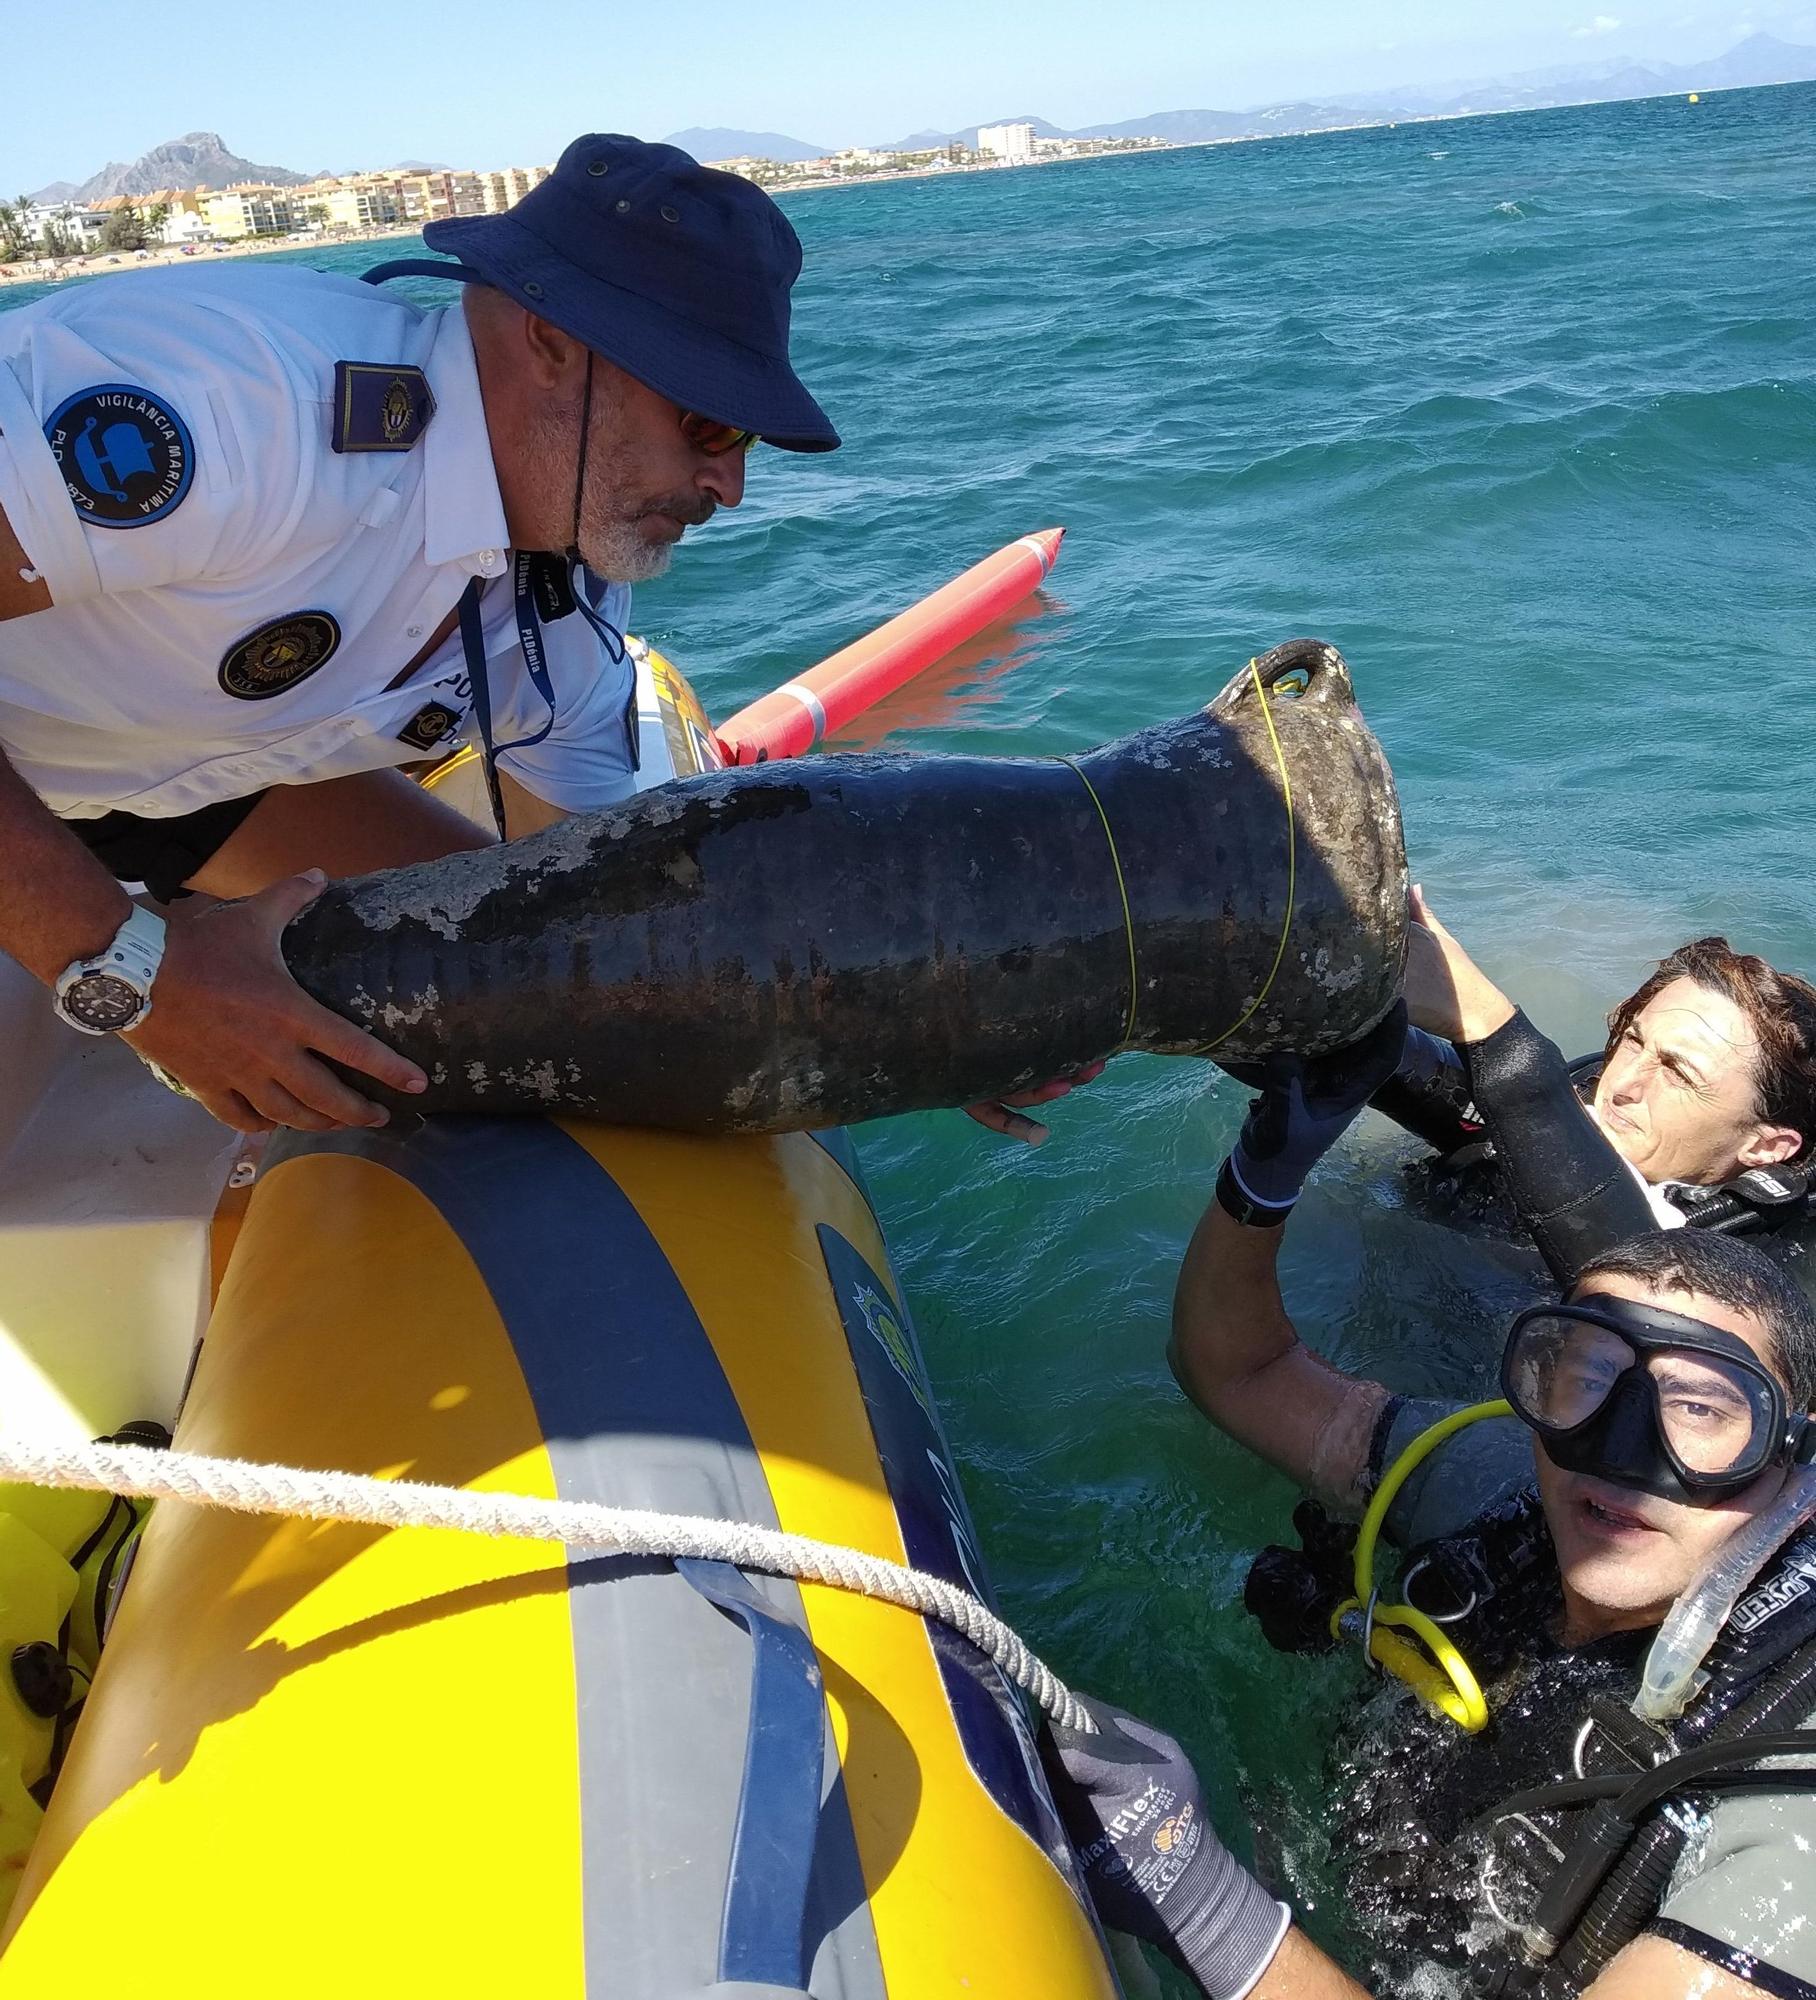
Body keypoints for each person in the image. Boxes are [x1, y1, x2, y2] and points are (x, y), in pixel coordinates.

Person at [0, 133, 1080, 1149]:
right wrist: (134, 973)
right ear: (552, 341)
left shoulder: (560, 622)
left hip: (158, 772)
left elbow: (623, 927)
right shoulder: (247, 408)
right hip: (53, 745)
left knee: (547, 955)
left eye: (743, 436)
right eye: (707, 423)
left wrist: (900, 1021)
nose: (730, 484)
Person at [1051, 1015, 1816, 1999]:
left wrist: (1201, 1900)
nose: (1622, 1454)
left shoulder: (1790, 1781)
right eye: (1581, 1377)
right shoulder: (1511, 1480)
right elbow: (1238, 1369)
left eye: (1700, 1406)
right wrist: (1265, 1172)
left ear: (1789, 1455)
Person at [1385, 889, 1816, 1254]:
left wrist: (1491, 1029)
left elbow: (1620, 1280)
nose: (1622, 1086)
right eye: (1634, 1041)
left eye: (1679, 1074)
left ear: (1766, 1146)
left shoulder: (1756, 1270)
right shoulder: (1576, 1102)